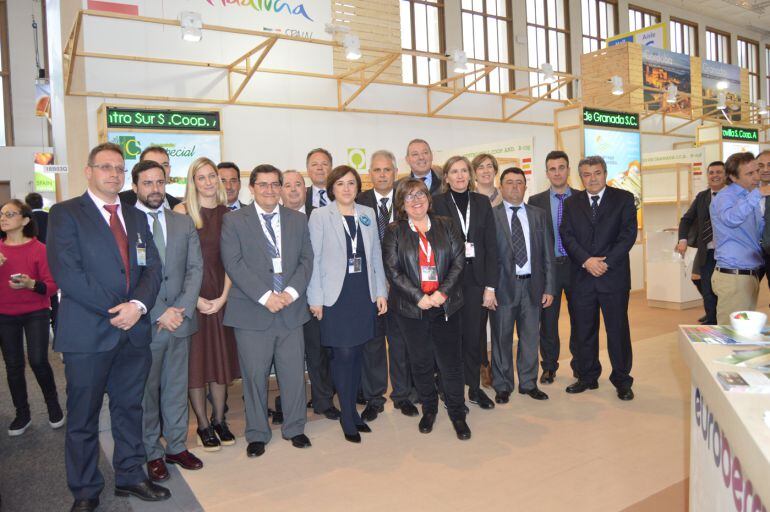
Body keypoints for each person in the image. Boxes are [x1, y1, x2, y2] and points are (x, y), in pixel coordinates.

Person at [48, 142, 166, 512]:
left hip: (133, 333)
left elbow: (153, 269)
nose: (114, 174)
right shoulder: (66, 213)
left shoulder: (134, 215)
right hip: (88, 333)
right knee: (83, 417)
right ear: (88, 171)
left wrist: (139, 305)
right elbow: (68, 272)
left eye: (119, 167)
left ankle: (131, 476)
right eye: (105, 167)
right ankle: (85, 490)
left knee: (129, 408)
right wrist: (119, 309)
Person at [221, 164, 314, 458]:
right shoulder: (234, 221)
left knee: (293, 374)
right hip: (252, 312)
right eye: (263, 185)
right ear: (252, 188)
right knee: (254, 376)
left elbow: (306, 260)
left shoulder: (297, 220)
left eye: (276, 184)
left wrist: (288, 293)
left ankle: (295, 428)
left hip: (290, 309)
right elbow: (233, 264)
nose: (270, 190)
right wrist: (265, 296)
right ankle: (258, 433)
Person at [131, 160, 205, 482]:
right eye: (147, 183)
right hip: (147, 323)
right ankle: (152, 451)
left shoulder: (182, 222)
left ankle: (176, 446)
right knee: (148, 391)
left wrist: (182, 309)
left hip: (180, 321)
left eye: (159, 182)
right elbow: (129, 276)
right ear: (135, 187)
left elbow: (195, 269)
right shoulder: (125, 223)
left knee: (176, 387)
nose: (154, 189)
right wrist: (161, 310)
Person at [382, 178, 470, 440]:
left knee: (450, 363)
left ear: (429, 199)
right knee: (420, 363)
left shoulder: (447, 224)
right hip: (413, 308)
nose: (416, 200)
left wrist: (442, 293)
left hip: (446, 305)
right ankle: (429, 409)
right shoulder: (394, 230)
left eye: (420, 194)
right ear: (401, 204)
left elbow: (458, 261)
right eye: (409, 197)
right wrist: (419, 296)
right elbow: (393, 269)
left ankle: (457, 413)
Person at [307, 166, 388, 443]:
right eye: (340, 183)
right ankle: (347, 414)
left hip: (361, 294)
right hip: (335, 297)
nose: (346, 188)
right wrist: (315, 298)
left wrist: (381, 292)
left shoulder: (366, 214)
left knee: (357, 355)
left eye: (351, 183)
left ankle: (352, 412)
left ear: (357, 187)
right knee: (342, 355)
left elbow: (375, 255)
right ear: (332, 188)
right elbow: (313, 260)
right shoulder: (320, 216)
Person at [173, 157, 239, 451]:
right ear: (193, 182)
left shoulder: (231, 215)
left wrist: (222, 297)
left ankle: (220, 419)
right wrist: (194, 299)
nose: (209, 182)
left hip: (222, 297)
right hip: (192, 298)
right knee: (198, 364)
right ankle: (202, 424)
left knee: (221, 361)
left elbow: (233, 263)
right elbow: (175, 264)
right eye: (201, 177)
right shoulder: (182, 213)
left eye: (212, 176)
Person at [560, 156, 637, 401]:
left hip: (613, 276)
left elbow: (627, 235)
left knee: (617, 330)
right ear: (580, 177)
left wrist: (605, 262)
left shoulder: (623, 199)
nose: (592, 178)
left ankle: (622, 380)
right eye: (586, 174)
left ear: (605, 173)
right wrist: (587, 260)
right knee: (583, 330)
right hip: (582, 277)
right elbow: (567, 235)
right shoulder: (572, 203)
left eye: (597, 173)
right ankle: (587, 376)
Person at [356, 150, 419, 419]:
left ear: (396, 173)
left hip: (403, 285)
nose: (382, 174)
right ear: (370, 174)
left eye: (387, 170)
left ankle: (402, 395)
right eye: (377, 170)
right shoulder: (358, 202)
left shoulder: (407, 201)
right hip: (370, 285)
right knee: (373, 344)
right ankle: (374, 398)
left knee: (401, 342)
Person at [432, 156, 498, 409]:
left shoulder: (481, 202)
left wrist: (490, 287)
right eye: (454, 172)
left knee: (473, 338)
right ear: (446, 177)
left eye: (463, 171)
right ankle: (450, 390)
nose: (459, 176)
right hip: (448, 283)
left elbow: (491, 246)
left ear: (470, 175)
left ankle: (474, 388)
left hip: (476, 283)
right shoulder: (436, 204)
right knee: (450, 339)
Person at [488, 168, 553, 403]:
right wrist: (489, 288)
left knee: (530, 338)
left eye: (519, 183)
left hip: (533, 287)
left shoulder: (538, 215)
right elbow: (488, 256)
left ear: (526, 187)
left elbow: (547, 253)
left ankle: (528, 383)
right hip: (503, 287)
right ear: (501, 186)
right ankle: (503, 385)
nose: (515, 187)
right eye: (509, 183)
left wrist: (550, 287)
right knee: (501, 338)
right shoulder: (491, 216)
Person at [0, 199, 62, 436]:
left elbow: (51, 286)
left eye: (10, 213)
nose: (3, 217)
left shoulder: (40, 249)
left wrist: (30, 284)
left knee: (38, 360)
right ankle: (22, 413)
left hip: (36, 311)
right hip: (4, 314)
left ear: (25, 220)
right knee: (13, 365)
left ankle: (53, 405)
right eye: (2, 214)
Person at [527, 150, 579, 384]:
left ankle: (580, 364)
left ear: (568, 169)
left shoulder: (581, 198)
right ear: (546, 172)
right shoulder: (535, 202)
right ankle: (549, 366)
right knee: (548, 321)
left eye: (561, 167)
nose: (557, 172)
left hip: (578, 267)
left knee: (581, 318)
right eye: (552, 168)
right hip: (549, 270)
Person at [712, 152, 770, 324]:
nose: (756, 177)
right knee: (730, 334)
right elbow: (731, 218)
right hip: (734, 276)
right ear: (733, 177)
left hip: (749, 275)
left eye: (756, 171)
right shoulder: (726, 196)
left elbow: (759, 233)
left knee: (743, 332)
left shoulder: (748, 197)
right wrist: (758, 193)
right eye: (749, 174)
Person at [675, 161, 726, 325]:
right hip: (708, 251)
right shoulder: (702, 197)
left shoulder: (734, 195)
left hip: (729, 253)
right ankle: (711, 321)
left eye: (719, 172)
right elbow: (686, 219)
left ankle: (721, 319)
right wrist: (682, 240)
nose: (715, 175)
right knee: (707, 288)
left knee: (725, 291)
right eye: (711, 172)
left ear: (725, 175)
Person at [25, 192, 58, 330]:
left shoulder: (27, 219)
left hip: (31, 259)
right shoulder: (51, 216)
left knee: (35, 288)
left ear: (27, 205)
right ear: (42, 204)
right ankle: (56, 324)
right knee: (52, 292)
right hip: (51, 258)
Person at [305, 148, 333, 213]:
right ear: (308, 170)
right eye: (314, 164)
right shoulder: (301, 197)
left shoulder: (341, 194)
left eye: (324, 164)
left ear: (331, 169)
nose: (319, 168)